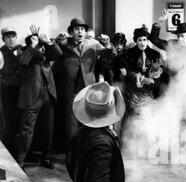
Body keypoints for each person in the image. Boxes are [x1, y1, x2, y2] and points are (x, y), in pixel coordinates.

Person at [54, 17, 117, 143]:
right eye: (77, 29)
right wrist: (57, 39)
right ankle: (73, 154)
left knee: (88, 123)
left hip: (88, 90)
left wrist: (108, 44)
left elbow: (111, 54)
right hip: (70, 90)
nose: (80, 32)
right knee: (71, 125)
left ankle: (87, 152)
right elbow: (53, 50)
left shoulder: (93, 44)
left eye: (82, 29)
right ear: (71, 32)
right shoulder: (65, 43)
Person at [15, 26, 62, 169]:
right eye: (38, 45)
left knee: (48, 129)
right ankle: (20, 161)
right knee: (26, 130)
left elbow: (58, 53)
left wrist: (48, 42)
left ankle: (46, 158)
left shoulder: (46, 55)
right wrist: (33, 45)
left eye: (42, 46)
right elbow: (22, 61)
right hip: (31, 98)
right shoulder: (24, 52)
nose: (42, 49)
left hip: (48, 96)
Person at [0, 27, 23, 156]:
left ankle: (21, 152)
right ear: (4, 39)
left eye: (13, 36)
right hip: (7, 90)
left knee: (21, 122)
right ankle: (10, 152)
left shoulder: (21, 49)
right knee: (9, 122)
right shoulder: (1, 52)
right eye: (8, 37)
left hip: (22, 90)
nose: (11, 39)